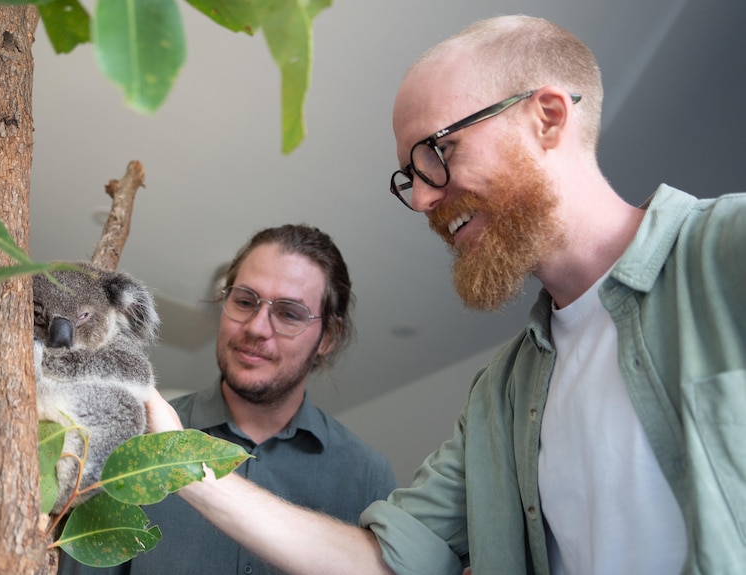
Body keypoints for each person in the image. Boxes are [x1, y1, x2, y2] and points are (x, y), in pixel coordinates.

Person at [142, 14, 746, 575]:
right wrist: (177, 463)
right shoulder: (502, 395)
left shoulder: (725, 252)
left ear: (549, 117)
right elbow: (385, 561)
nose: (426, 200)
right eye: (412, 174)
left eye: (440, 149)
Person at [59, 224, 397, 574]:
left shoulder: (366, 474)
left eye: (289, 313)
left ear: (328, 337)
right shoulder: (132, 437)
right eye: (245, 301)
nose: (256, 327)